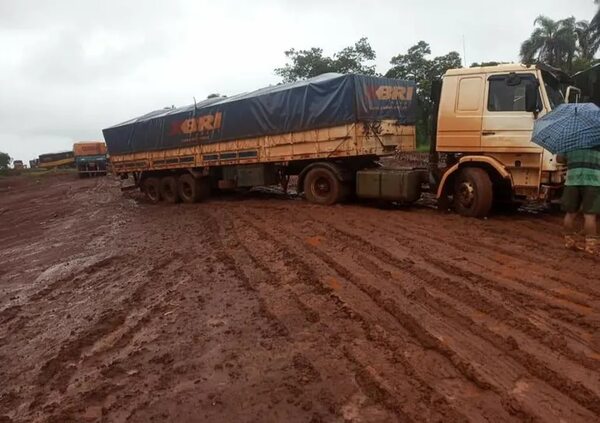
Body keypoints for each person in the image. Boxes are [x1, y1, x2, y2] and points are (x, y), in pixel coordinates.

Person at [559, 146, 600, 255]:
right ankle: (591, 246)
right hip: (593, 181)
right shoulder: (597, 140)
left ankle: (569, 242)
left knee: (570, 214)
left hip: (572, 180)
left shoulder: (571, 141)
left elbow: (559, 159)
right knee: (590, 215)